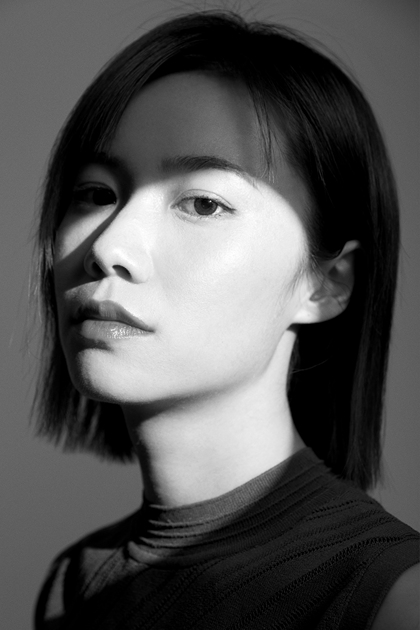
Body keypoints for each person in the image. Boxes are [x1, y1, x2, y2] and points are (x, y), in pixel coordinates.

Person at [33, 10, 419, 630]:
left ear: (326, 284)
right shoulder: (73, 586)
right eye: (97, 193)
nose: (109, 247)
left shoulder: (393, 601)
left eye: (204, 203)